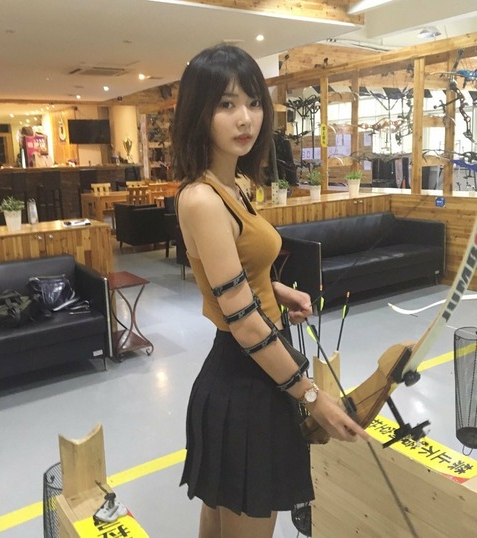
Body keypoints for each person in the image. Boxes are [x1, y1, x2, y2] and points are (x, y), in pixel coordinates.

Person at [172, 44, 370, 538]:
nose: (246, 118)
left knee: (220, 519)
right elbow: (241, 322)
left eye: (254, 102)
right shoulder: (202, 199)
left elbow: (235, 272)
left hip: (252, 374)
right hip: (246, 381)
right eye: (226, 104)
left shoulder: (235, 184)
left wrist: (276, 290)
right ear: (199, 112)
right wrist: (312, 395)